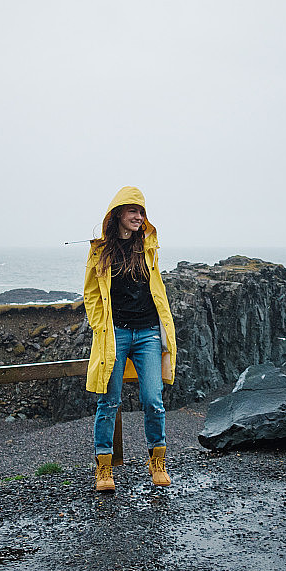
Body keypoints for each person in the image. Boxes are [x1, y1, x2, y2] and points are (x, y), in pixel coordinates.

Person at [83, 186, 177, 492]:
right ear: (118, 214)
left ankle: (157, 461)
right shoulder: (100, 250)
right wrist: (101, 327)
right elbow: (91, 295)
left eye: (141, 212)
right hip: (116, 333)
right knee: (108, 401)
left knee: (153, 399)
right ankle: (104, 468)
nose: (138, 217)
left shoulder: (148, 245)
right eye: (132, 211)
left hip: (148, 332)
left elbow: (156, 287)